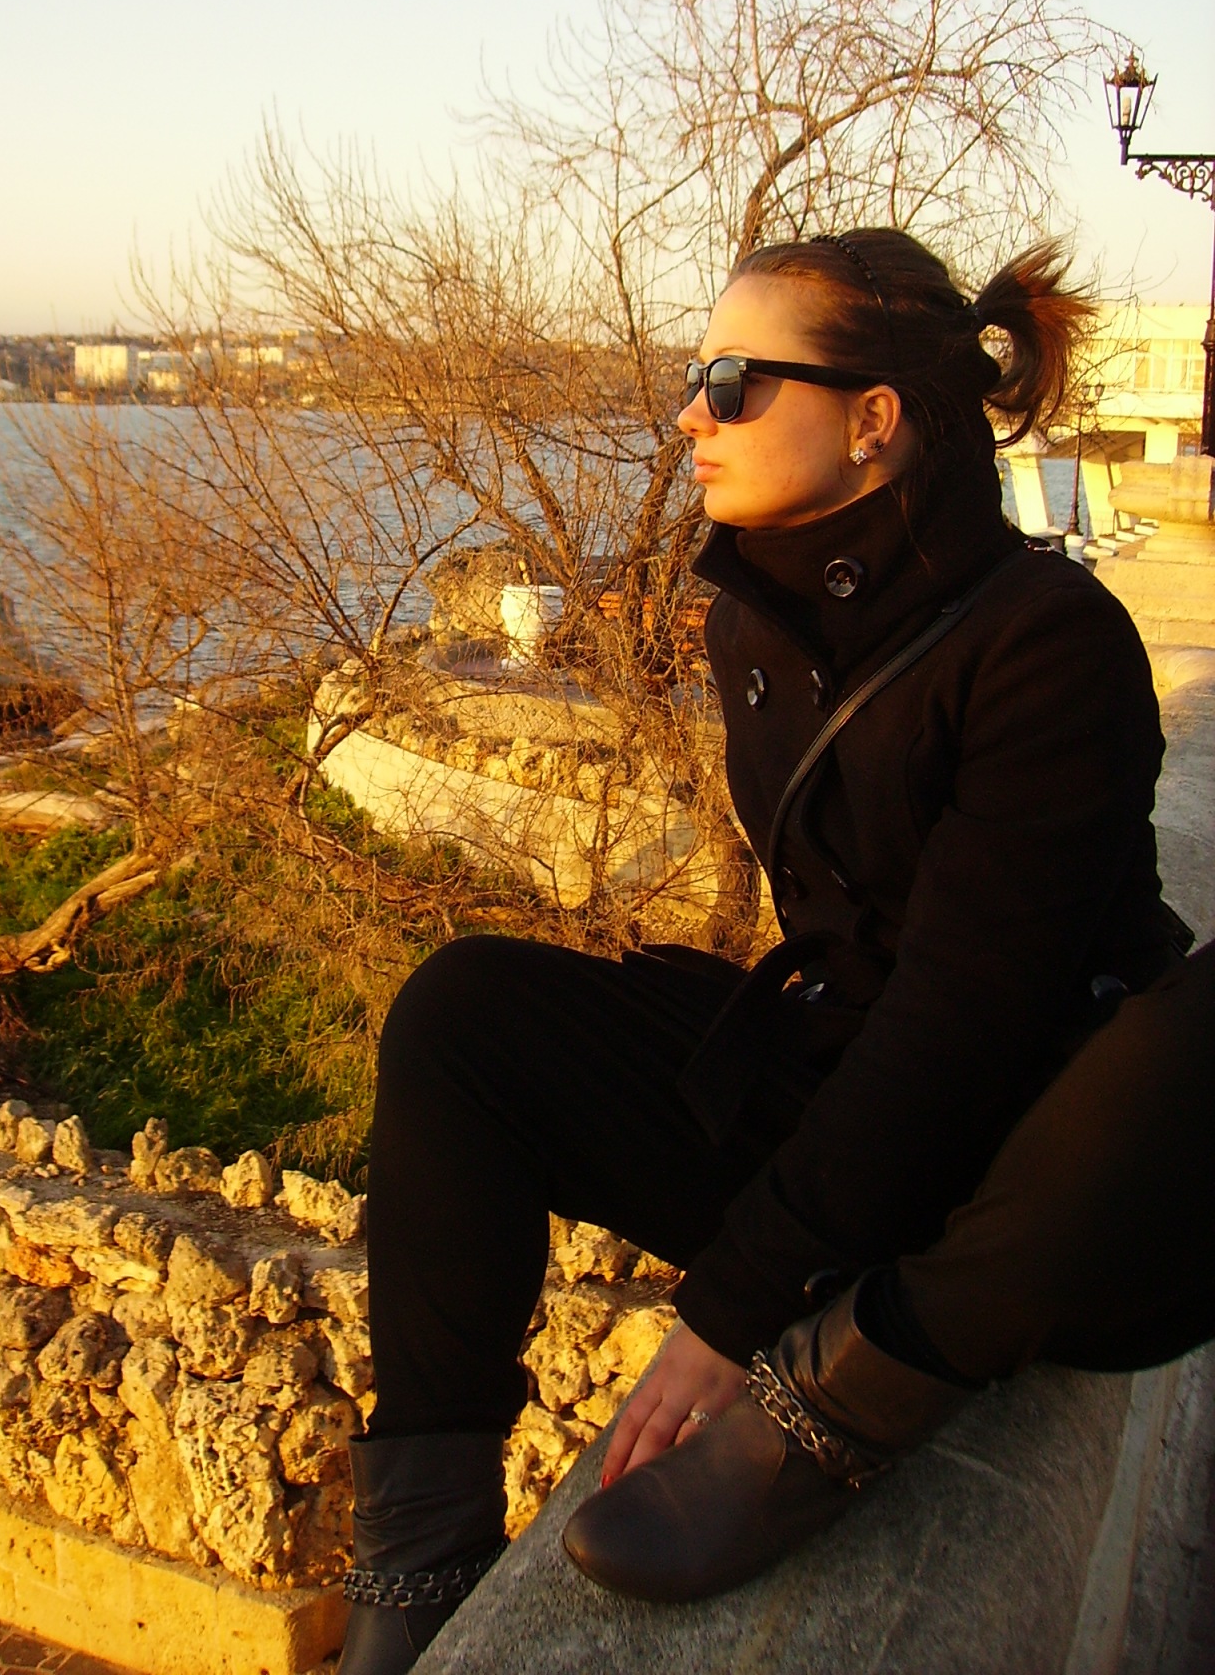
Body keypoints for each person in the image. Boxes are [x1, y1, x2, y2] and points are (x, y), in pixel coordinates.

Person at [336, 229, 1215, 1674]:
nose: (693, 413)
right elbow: (845, 970)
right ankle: (418, 1572)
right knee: (463, 1014)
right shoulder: (755, 620)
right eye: (695, 379)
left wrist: (728, 1314)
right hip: (849, 1104)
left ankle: (845, 1398)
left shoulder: (1048, 647)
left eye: (736, 382)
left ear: (875, 421)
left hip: (1026, 1177)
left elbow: (962, 1028)